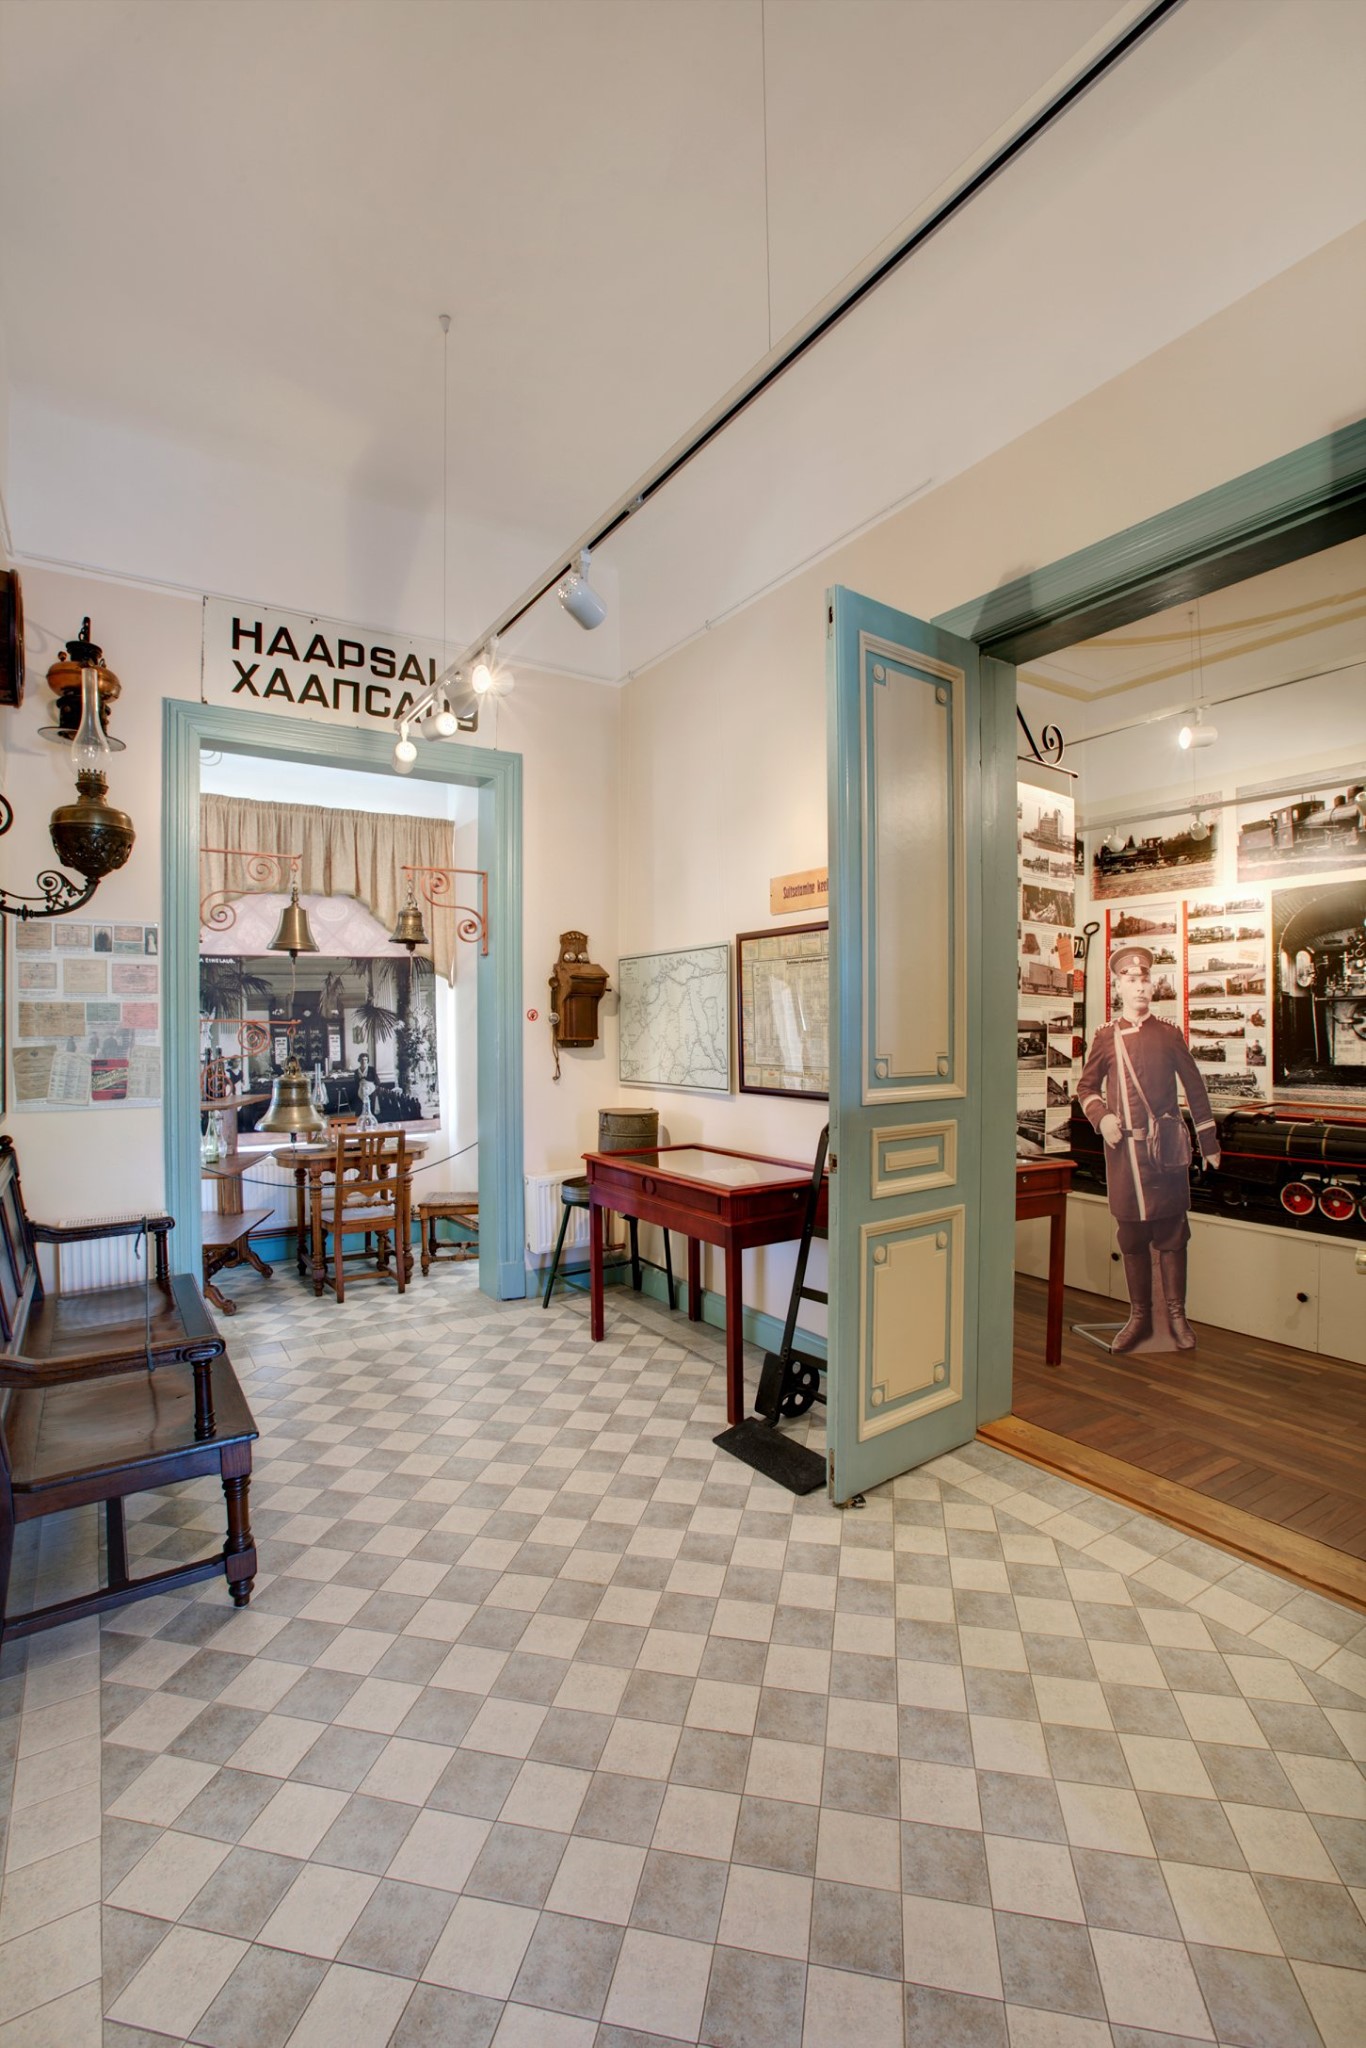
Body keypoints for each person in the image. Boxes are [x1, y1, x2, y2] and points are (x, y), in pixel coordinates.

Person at [1077, 945, 1220, 1352]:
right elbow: (1086, 1088)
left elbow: (1195, 1087)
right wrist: (1102, 1117)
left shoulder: (1169, 1034)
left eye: (1144, 980)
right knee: (1132, 1236)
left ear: (1152, 985)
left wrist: (1208, 1141)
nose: (1140, 987)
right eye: (1131, 980)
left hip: (1165, 1152)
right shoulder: (1106, 1037)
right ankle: (1138, 1316)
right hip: (1125, 1157)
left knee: (1173, 1233)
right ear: (1118, 986)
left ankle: (1177, 1316)